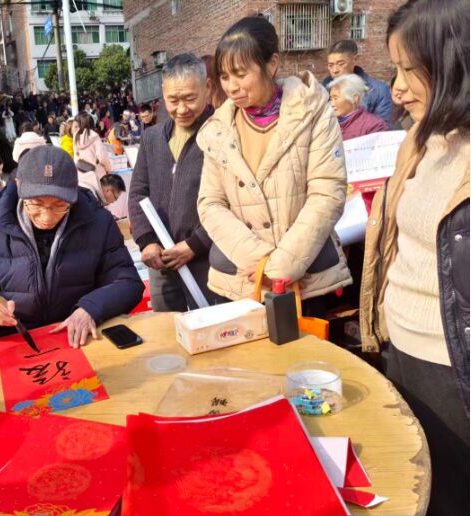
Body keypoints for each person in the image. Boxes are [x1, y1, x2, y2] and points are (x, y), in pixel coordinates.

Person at [360, 1, 469, 516]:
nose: (397, 89)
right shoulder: (423, 137)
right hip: (401, 342)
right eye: (395, 71)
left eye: (409, 70)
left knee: (450, 496)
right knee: (411, 482)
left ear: (454, 63)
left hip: (452, 366)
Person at [197, 17, 352, 314]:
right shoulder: (218, 129)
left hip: (305, 281)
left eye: (241, 74)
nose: (231, 87)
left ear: (271, 64)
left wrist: (282, 267)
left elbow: (327, 193)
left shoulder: (313, 113)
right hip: (242, 280)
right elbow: (210, 203)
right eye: (225, 77)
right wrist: (260, 262)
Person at [0, 146, 144, 348]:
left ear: (73, 193)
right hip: (20, 346)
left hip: (81, 342)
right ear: (19, 186)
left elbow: (128, 281)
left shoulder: (98, 223)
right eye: (36, 204)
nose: (47, 217)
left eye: (59, 205)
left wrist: (92, 308)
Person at [128, 53, 223, 312]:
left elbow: (233, 201)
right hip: (162, 262)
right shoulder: (153, 137)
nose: (181, 109)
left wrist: (195, 244)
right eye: (173, 100)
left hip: (207, 259)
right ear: (163, 93)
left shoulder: (222, 133)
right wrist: (147, 241)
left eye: (190, 99)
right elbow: (138, 193)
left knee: (210, 329)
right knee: (168, 330)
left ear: (207, 87)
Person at [323, 39, 393, 127]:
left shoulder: (379, 91)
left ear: (355, 60)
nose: (335, 70)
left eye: (340, 64)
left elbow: (383, 130)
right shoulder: (323, 89)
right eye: (331, 65)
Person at [328, 74, 390, 140]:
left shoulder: (375, 126)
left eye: (335, 98)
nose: (332, 104)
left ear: (355, 98)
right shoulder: (329, 124)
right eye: (331, 99)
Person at [73, 111, 112, 180]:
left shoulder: (76, 136)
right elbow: (102, 157)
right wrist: (108, 169)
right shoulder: (94, 136)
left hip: (79, 174)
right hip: (95, 175)